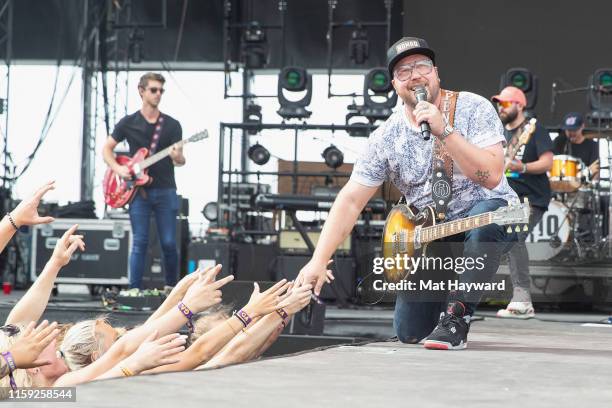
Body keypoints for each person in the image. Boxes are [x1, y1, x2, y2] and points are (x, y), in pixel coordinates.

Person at [295, 36, 519, 350]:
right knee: (410, 332)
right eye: (404, 71)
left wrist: (445, 131)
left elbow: (493, 175)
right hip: (433, 238)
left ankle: (457, 317)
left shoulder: (473, 107)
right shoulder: (386, 136)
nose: (415, 75)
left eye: (422, 66)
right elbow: (350, 200)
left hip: (492, 216)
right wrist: (318, 260)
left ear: (437, 73)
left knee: (483, 219)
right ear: (394, 85)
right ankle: (444, 295)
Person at [102, 72, 186, 290]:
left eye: (161, 90)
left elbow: (180, 160)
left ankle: (171, 288)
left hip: (166, 190)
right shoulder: (128, 123)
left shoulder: (172, 125)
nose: (158, 94)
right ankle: (133, 290)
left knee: (168, 243)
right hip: (138, 192)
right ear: (141, 91)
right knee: (139, 242)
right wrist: (119, 168)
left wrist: (177, 156)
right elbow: (106, 149)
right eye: (153, 90)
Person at [492, 87, 553, 318]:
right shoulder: (499, 134)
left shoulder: (534, 129)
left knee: (515, 235)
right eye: (499, 103)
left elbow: (548, 163)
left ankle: (522, 298)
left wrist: (523, 167)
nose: (501, 107)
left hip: (532, 198)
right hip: (506, 199)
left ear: (519, 105)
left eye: (506, 104)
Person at [553, 112, 600, 180]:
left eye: (574, 130)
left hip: (583, 186)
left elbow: (595, 171)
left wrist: (590, 186)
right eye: (569, 130)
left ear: (582, 126)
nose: (571, 133)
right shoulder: (559, 142)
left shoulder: (592, 145)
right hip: (561, 184)